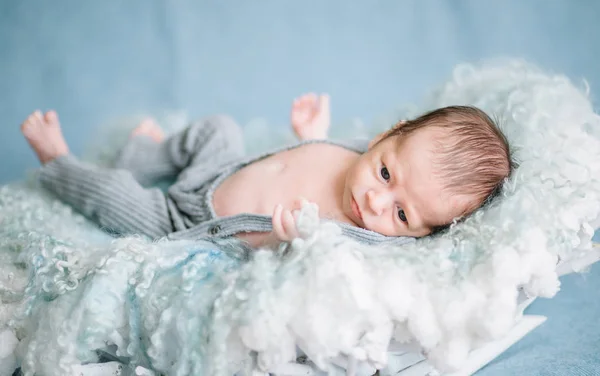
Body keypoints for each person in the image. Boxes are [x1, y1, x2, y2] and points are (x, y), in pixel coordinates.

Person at [20, 93, 512, 248]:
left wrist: (292, 244)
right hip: (224, 171)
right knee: (218, 127)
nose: (377, 204)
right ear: (388, 134)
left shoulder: (348, 240)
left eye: (403, 216)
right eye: (386, 175)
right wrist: (312, 134)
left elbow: (306, 276)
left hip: (192, 222)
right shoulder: (361, 150)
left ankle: (58, 163)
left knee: (116, 197)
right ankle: (146, 156)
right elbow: (312, 162)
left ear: (422, 234)